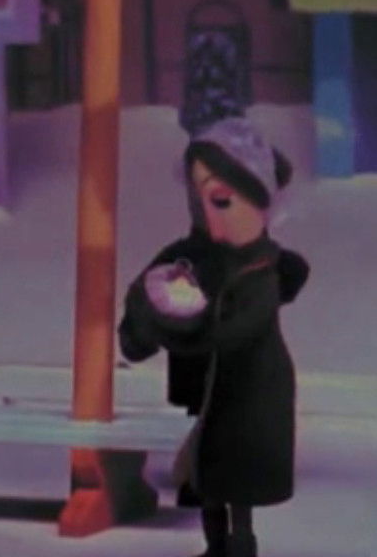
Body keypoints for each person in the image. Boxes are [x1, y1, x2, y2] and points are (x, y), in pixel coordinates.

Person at [120, 116, 306, 557]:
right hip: (205, 395)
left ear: (261, 199)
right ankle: (215, 546)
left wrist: (188, 326)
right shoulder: (190, 257)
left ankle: (240, 545)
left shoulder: (262, 271)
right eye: (196, 197)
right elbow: (141, 309)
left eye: (222, 200)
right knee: (206, 479)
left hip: (250, 394)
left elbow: (237, 330)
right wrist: (152, 313)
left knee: (236, 480)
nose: (209, 218)